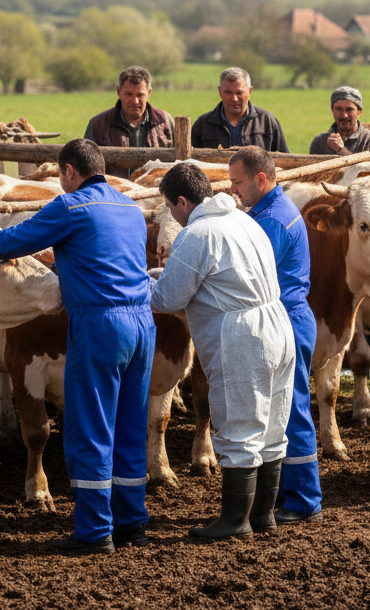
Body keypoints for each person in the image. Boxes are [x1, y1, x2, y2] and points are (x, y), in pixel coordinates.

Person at [0, 139, 155, 555]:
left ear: (68, 172)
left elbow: (11, 243)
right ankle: (132, 524)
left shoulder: (70, 206)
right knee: (129, 425)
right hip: (142, 322)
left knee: (90, 427)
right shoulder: (130, 208)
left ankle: (93, 531)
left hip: (100, 323)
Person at [151, 162, 295, 541]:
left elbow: (167, 297)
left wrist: (137, 286)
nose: (172, 216)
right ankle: (263, 514)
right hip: (277, 321)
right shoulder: (245, 220)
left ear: (183, 202)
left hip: (241, 334)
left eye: (170, 207)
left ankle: (235, 520)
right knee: (272, 424)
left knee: (238, 426)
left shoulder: (198, 234)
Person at [227, 146, 322, 526]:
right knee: (278, 411)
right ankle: (285, 494)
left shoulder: (272, 221)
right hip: (286, 317)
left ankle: (304, 499)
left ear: (260, 180)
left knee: (292, 410)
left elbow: (244, 272)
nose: (233, 189)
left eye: (237, 182)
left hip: (286, 318)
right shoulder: (269, 212)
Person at [84, 66, 175, 177]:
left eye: (140, 95)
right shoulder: (98, 125)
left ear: (149, 93)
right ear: (118, 92)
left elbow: (181, 162)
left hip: (157, 191)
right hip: (113, 191)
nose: (135, 101)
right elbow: (86, 169)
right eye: (129, 94)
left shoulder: (165, 122)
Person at [190, 67, 288, 152]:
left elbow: (285, 161)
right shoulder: (203, 124)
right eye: (228, 92)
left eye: (239, 92)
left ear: (249, 92)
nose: (234, 99)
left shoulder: (267, 122)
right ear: (220, 92)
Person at [307, 86, 370, 157]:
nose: (344, 115)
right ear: (332, 110)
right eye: (339, 109)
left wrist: (342, 150)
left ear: (359, 112)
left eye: (349, 109)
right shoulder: (319, 142)